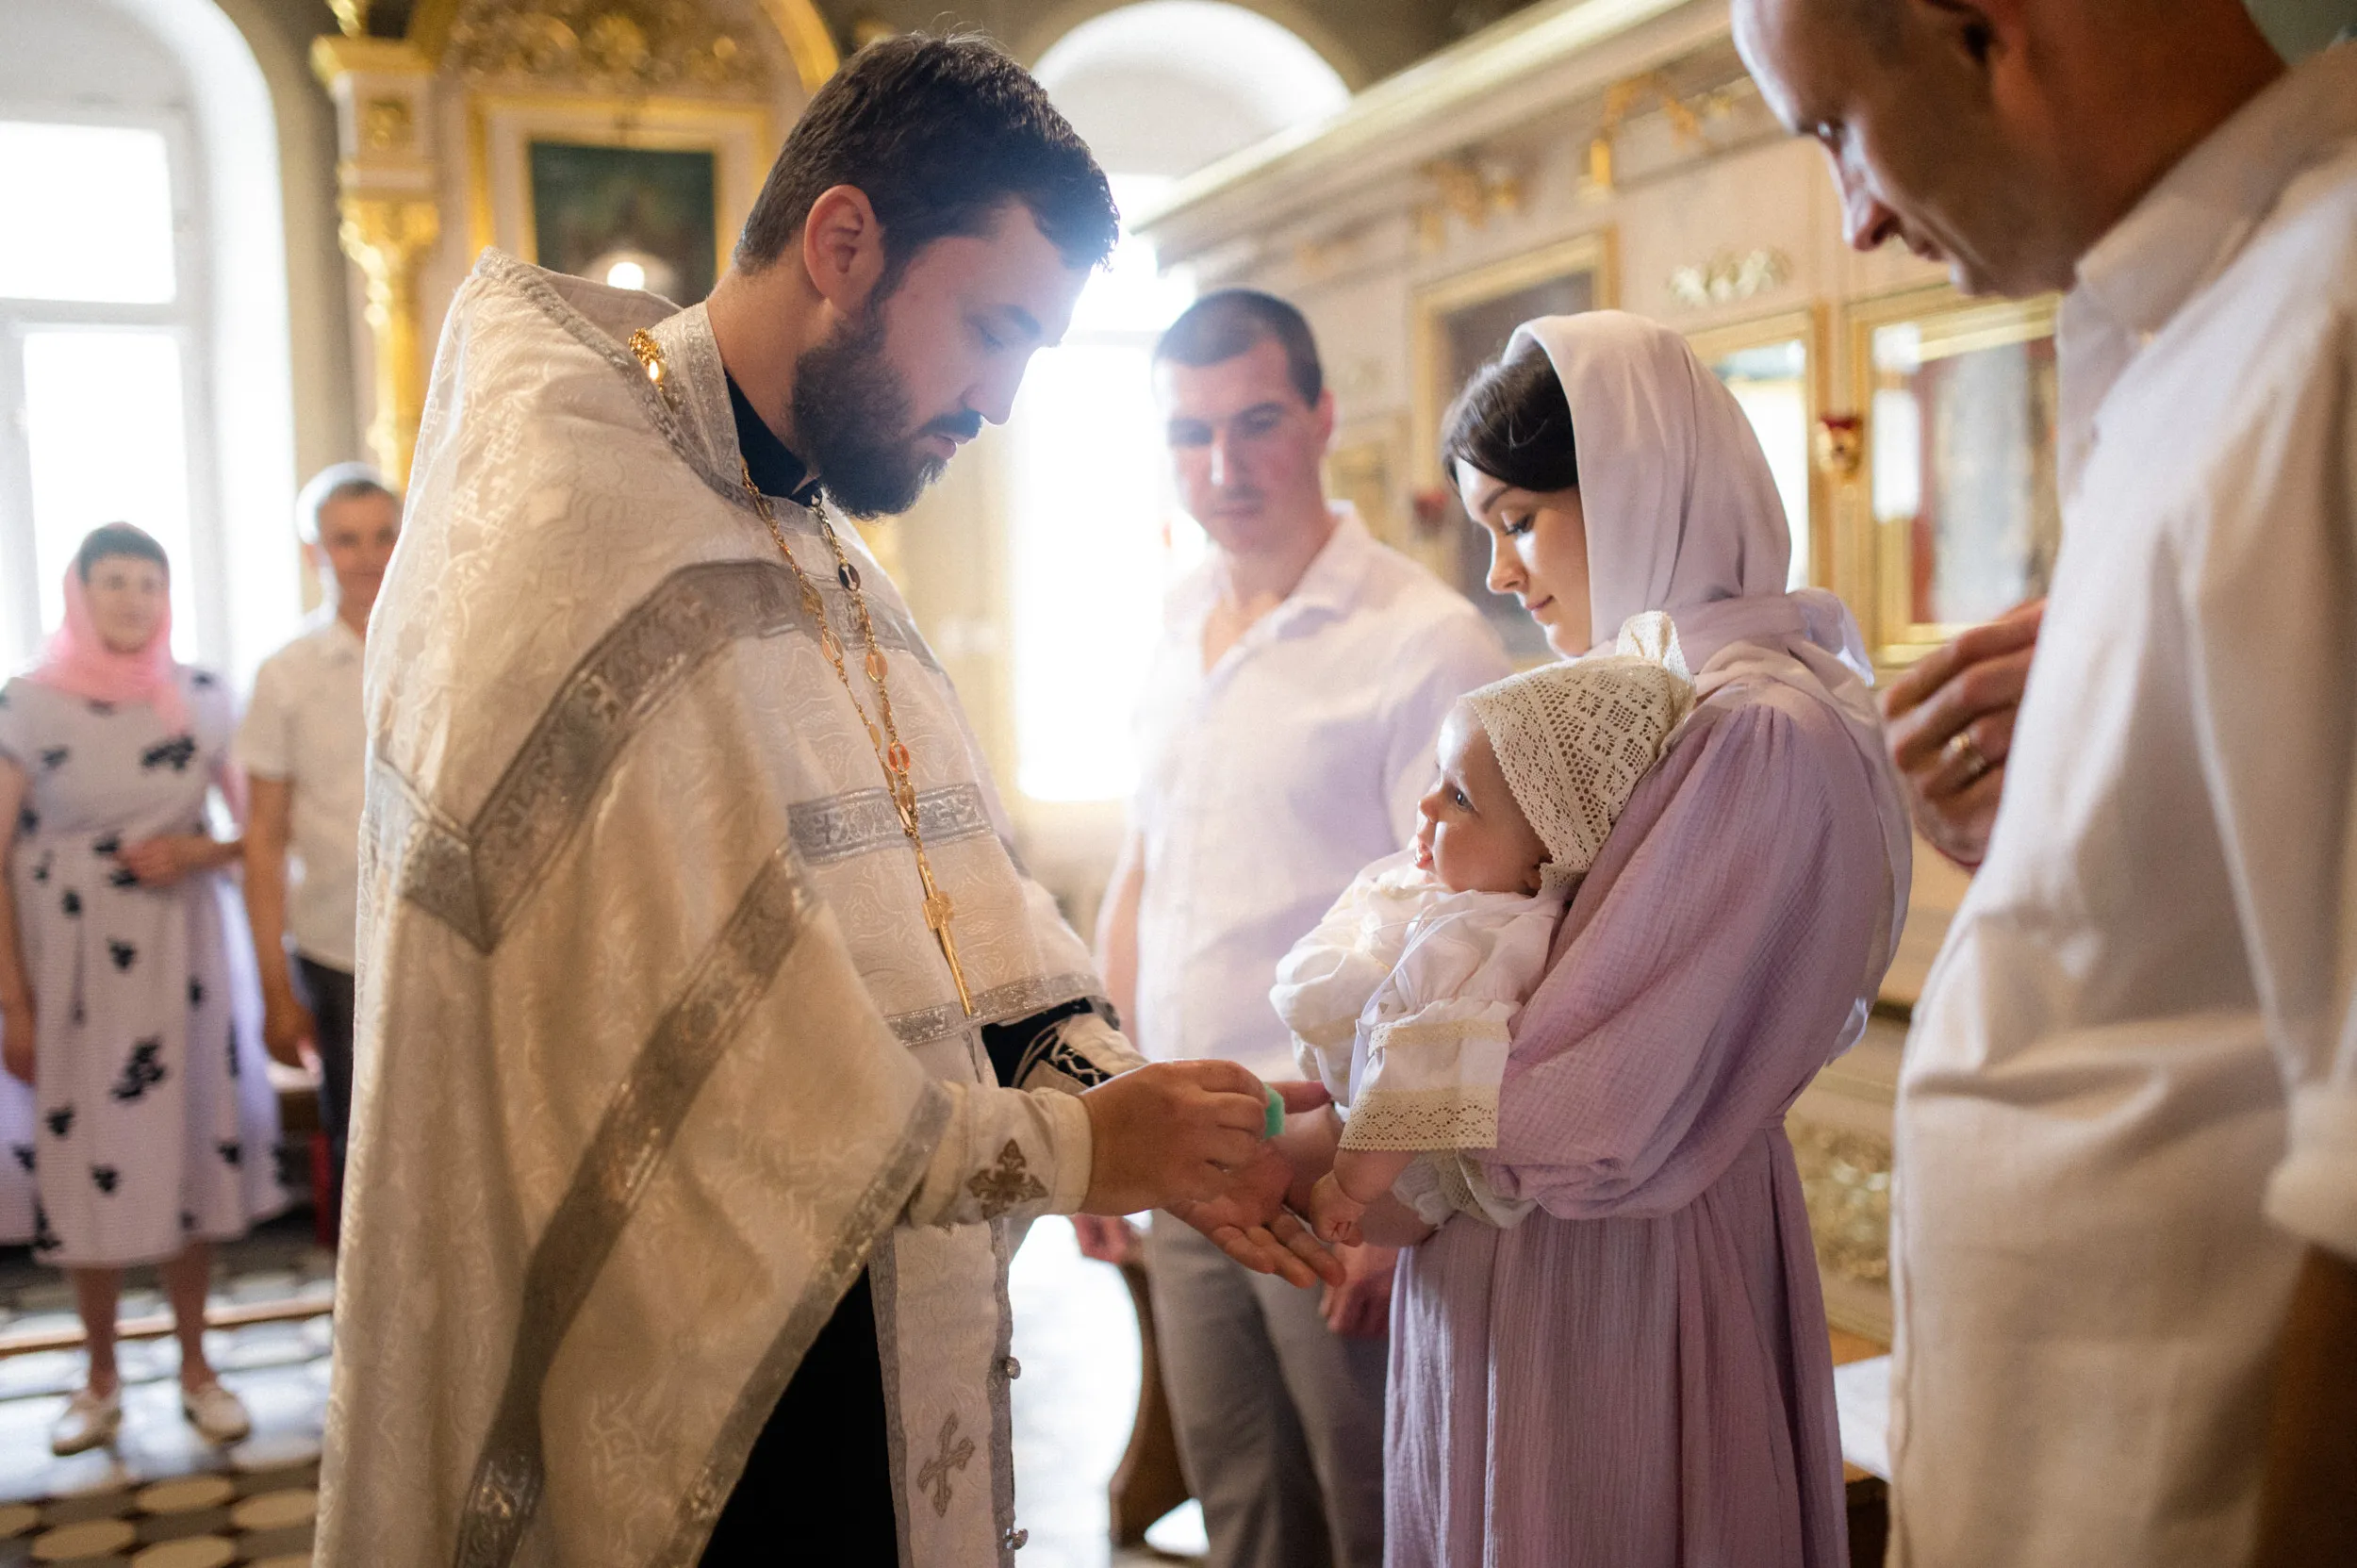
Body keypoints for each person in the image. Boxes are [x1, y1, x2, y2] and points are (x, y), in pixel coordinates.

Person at [319, 37, 1340, 1568]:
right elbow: (713, 1077)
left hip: (881, 1338)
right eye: (992, 327)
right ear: (845, 243)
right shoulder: (570, 544)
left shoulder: (819, 548)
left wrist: (1153, 1105)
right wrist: (1084, 1151)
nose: (997, 399)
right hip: (696, 1393)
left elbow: (958, 917)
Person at [1732, 3, 2357, 1563]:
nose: (1857, 218)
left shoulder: (2325, 331)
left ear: (1981, 27)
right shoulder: (2188, 332)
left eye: (1832, 129)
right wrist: (2056, 825)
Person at [1280, 312, 1910, 1567]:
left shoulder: (1760, 728)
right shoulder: (1654, 698)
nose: (1503, 572)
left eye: (1519, 518)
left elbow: (1592, 1092)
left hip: (1620, 1271)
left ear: (1632, 482)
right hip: (1537, 1253)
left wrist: (1354, 1135)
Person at [1088, 289, 1509, 1568]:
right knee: (1245, 1510)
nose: (1224, 465)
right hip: (1174, 1143)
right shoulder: (1171, 619)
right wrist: (1103, 1112)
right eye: (1191, 433)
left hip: (1326, 1164)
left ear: (1324, 415)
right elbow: (1142, 870)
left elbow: (1468, 930)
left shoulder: (1423, 639)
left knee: (1374, 1511)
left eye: (1258, 419)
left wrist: (1397, 1185)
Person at [0, 524, 286, 1457]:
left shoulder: (200, 699)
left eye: (148, 583)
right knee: (82, 1160)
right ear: (79, 592)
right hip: (68, 961)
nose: (132, 599)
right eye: (113, 582)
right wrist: (14, 1000)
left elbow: (261, 833)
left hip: (179, 956)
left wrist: (196, 850)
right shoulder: (27, 703)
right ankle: (98, 1377)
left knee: (185, 1145)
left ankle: (199, 1367)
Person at [1277, 641, 1696, 1246]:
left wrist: (1347, 1187)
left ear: (1543, 864)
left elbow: (1413, 1076)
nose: (1426, 803)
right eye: (1437, 778)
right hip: (1347, 1118)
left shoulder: (1489, 939)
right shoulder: (1453, 891)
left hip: (1390, 1170)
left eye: (1459, 798)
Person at [238, 463, 400, 1228]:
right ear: (314, 553)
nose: (366, 556)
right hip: (338, 944)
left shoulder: (448, 643)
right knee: (360, 1143)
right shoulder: (285, 674)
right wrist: (275, 987)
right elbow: (263, 840)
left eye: (382, 536)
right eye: (345, 540)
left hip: (444, 929)